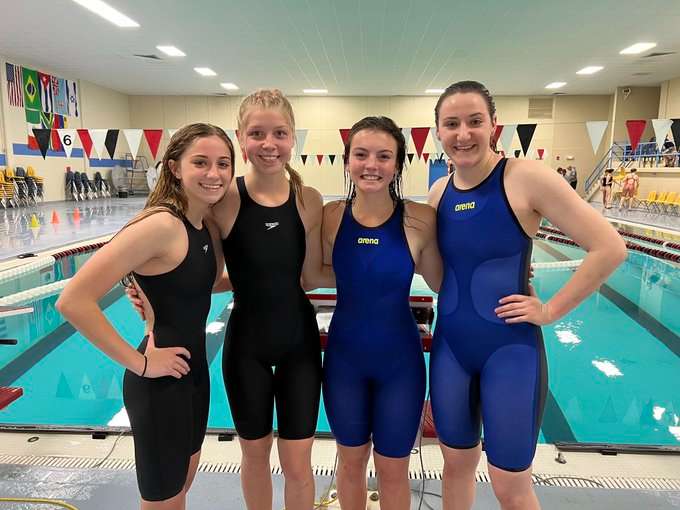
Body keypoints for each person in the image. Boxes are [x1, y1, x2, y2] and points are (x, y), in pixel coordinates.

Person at [428, 81, 627, 510]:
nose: (463, 133)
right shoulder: (439, 193)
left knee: (509, 484)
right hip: (451, 351)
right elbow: (438, 276)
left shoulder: (525, 178)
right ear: (438, 133)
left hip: (510, 351)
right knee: (455, 467)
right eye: (452, 124)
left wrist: (551, 308)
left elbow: (609, 247)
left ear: (493, 126)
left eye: (474, 121)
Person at [56, 123, 235, 509]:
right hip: (159, 385)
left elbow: (200, 284)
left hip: (193, 375)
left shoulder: (203, 226)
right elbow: (73, 300)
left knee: (181, 488)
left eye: (223, 163)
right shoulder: (160, 225)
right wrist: (140, 363)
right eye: (200, 162)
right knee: (163, 501)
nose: (213, 173)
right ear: (174, 167)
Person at [216, 89, 329, 510]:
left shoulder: (309, 200)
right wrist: (146, 289)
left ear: (292, 137)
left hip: (299, 343)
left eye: (279, 133)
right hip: (246, 346)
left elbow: (312, 276)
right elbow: (198, 272)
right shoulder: (223, 199)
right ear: (240, 136)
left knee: (298, 461)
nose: (269, 144)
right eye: (257, 133)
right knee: (255, 455)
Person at [321, 116, 441, 510]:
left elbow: (444, 281)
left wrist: (509, 275)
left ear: (398, 164)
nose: (371, 164)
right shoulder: (332, 216)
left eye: (383, 156)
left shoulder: (420, 218)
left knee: (392, 468)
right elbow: (306, 273)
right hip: (344, 362)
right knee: (350, 463)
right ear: (347, 160)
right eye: (361, 154)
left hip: (400, 365)